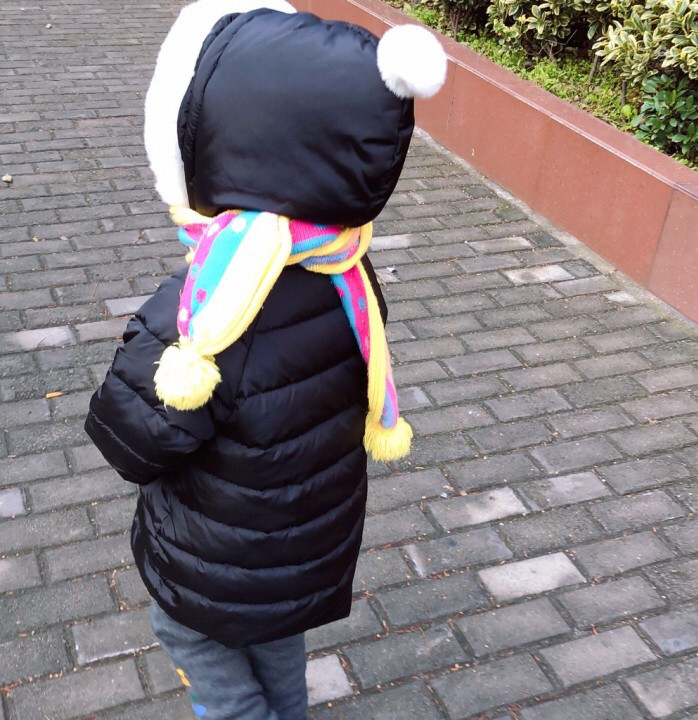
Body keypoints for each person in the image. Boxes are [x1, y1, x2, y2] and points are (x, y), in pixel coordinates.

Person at [84, 1, 447, 717]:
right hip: (302, 549)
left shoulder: (203, 306)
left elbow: (131, 442)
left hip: (215, 556)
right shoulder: (348, 271)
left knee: (194, 647)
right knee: (278, 650)